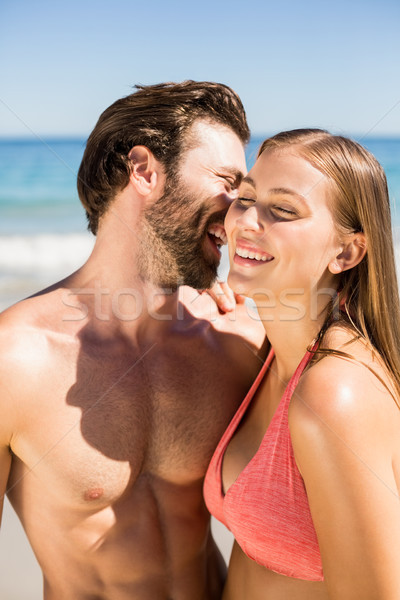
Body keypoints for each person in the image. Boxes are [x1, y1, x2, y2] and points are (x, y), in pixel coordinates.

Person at [0, 81, 266, 600]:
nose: (240, 211)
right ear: (144, 170)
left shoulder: (236, 343)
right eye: (227, 182)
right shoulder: (16, 359)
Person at [204, 128, 400, 599]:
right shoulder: (272, 354)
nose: (248, 221)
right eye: (246, 196)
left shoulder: (333, 395)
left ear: (347, 251)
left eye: (284, 210)